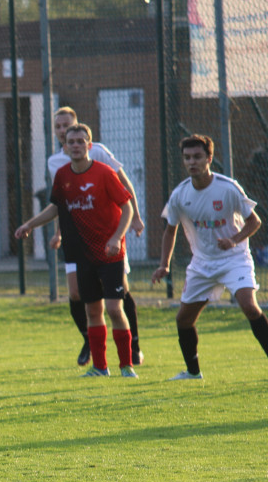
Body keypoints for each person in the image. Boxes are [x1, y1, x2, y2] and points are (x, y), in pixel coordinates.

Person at [15, 123, 136, 377]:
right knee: (92, 310)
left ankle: (126, 366)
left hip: (110, 251)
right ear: (65, 146)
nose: (76, 146)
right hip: (82, 253)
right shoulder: (62, 176)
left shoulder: (104, 173)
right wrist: (30, 224)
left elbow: (127, 208)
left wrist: (117, 238)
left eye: (81, 141)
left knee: (115, 308)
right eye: (72, 142)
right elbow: (56, 207)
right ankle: (100, 368)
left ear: (90, 145)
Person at [152, 134, 268, 380]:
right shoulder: (180, 195)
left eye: (197, 157)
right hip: (203, 263)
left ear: (209, 159)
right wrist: (164, 264)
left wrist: (233, 240)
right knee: (183, 319)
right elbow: (170, 230)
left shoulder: (228, 188)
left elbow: (254, 221)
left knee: (249, 305)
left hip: (235, 258)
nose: (191, 162)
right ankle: (193, 373)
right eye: (187, 158)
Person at [47, 106, 145, 367]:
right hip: (77, 241)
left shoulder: (98, 152)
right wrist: (57, 232)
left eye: (66, 125)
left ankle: (133, 346)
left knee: (118, 296)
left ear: (78, 127)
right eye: (57, 127)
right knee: (77, 294)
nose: (61, 130)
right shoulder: (55, 163)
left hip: (109, 237)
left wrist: (134, 216)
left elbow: (123, 183)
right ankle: (89, 342)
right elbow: (64, 203)